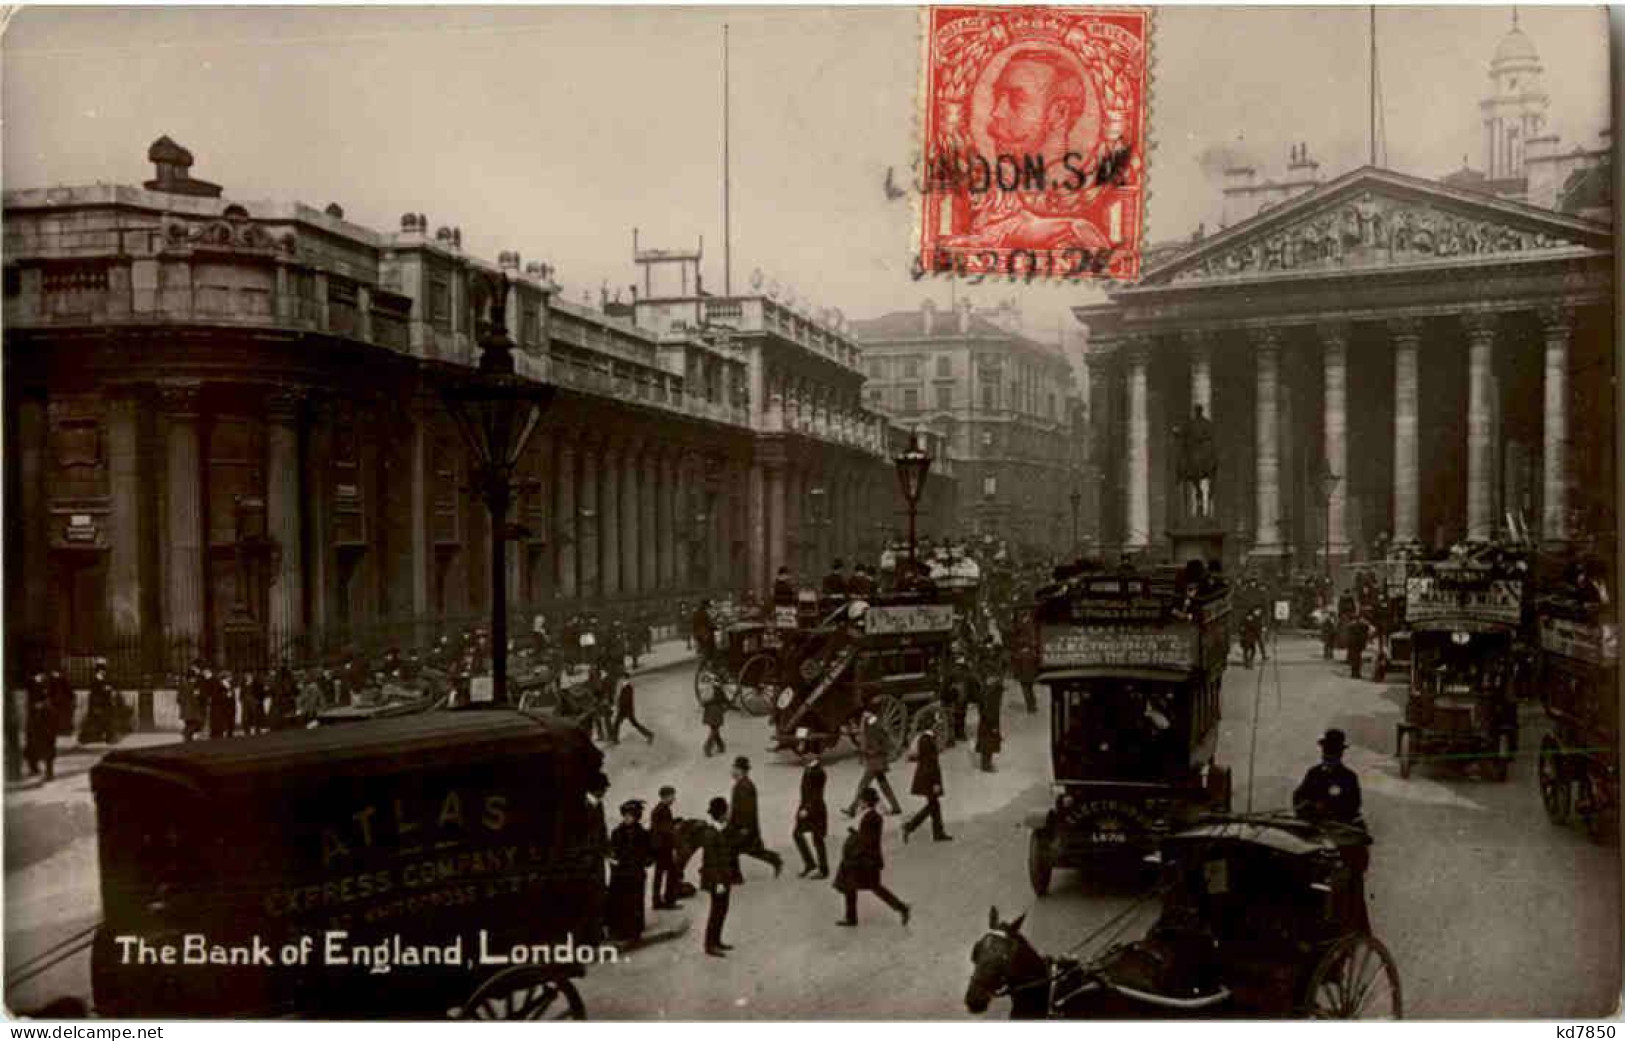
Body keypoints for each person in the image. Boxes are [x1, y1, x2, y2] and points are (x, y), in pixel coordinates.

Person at [834, 787, 911, 927]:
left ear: (866, 802)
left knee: (865, 886)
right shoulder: (871, 815)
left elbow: (868, 840)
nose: (859, 803)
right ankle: (901, 908)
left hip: (865, 859)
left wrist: (854, 852)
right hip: (868, 858)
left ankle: (901, 907)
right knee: (856, 886)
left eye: (861, 800)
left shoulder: (871, 817)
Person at [727, 757, 783, 880]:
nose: (732, 771)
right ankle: (736, 876)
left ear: (741, 771)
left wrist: (745, 828)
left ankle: (736, 876)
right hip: (741, 826)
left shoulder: (745, 786)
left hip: (744, 827)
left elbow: (748, 810)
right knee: (746, 849)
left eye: (734, 769)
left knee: (739, 848)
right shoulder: (741, 784)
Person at [1293, 729, 1363, 824]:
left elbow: (1354, 804)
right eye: (1326, 750)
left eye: (1333, 751)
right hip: (1312, 823)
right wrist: (1307, 805)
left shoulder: (1349, 777)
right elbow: (1299, 795)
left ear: (1340, 754)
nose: (1328, 755)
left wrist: (1328, 807)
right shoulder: (1313, 773)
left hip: (1340, 826)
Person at [607, 800, 652, 943]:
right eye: (625, 815)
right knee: (619, 902)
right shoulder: (616, 832)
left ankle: (634, 932)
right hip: (620, 873)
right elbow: (611, 850)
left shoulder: (643, 833)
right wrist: (612, 859)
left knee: (634, 902)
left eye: (630, 816)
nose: (627, 818)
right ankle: (619, 931)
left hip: (636, 873)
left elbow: (649, 853)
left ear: (637, 817)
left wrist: (646, 861)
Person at [844, 712, 903, 816]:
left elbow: (875, 747)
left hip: (875, 763)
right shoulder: (874, 728)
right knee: (884, 786)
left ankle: (852, 809)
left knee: (863, 785)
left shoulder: (872, 731)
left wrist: (866, 752)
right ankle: (896, 807)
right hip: (877, 762)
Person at [901, 725, 951, 843]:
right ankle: (910, 826)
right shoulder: (928, 741)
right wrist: (936, 783)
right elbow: (931, 764)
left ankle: (937, 832)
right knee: (933, 805)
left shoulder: (924, 739)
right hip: (929, 779)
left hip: (924, 776)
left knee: (934, 805)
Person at [699, 796, 734, 957]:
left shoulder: (720, 829)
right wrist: (718, 882)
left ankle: (717, 940)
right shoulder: (710, 833)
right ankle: (710, 945)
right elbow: (711, 861)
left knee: (722, 910)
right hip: (717, 880)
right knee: (716, 911)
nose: (728, 813)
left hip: (723, 878)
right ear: (720, 814)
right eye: (726, 811)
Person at [792, 750, 830, 878]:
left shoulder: (818, 772)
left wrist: (806, 809)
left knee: (817, 839)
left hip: (815, 810)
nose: (804, 756)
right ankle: (810, 864)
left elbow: (816, 794)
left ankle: (823, 869)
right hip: (809, 808)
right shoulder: (809, 769)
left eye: (807, 755)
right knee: (798, 834)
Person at [650, 786, 681, 910]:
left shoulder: (660, 809)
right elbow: (665, 831)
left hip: (659, 848)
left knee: (659, 874)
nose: (674, 798)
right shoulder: (662, 810)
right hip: (664, 848)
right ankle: (668, 901)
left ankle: (657, 901)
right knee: (672, 873)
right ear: (666, 796)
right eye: (672, 796)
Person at [24, 671, 57, 781]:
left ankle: (49, 772)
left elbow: (54, 702)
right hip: (36, 722)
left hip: (46, 723)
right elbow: (32, 704)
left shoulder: (51, 686)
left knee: (47, 747)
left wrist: (45, 705)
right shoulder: (32, 687)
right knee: (32, 746)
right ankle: (34, 768)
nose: (41, 677)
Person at [79, 660, 116, 745]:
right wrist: (105, 689)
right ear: (99, 671)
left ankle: (108, 738)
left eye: (104, 670)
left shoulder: (103, 679)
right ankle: (85, 738)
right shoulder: (96, 680)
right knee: (96, 721)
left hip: (104, 703)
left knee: (104, 721)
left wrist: (107, 690)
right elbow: (95, 693)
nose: (104, 672)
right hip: (98, 704)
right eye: (102, 670)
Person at [612, 680, 654, 745]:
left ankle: (615, 739)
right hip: (626, 709)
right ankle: (648, 734)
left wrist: (619, 704)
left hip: (626, 710)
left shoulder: (628, 688)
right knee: (631, 724)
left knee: (618, 723)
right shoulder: (625, 687)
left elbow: (624, 700)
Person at [975, 679, 1003, 772]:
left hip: (985, 721)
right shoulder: (994, 695)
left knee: (986, 743)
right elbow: (992, 710)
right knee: (988, 744)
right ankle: (986, 765)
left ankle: (985, 764)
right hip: (989, 722)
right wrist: (994, 725)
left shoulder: (986, 691)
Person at [178, 662, 205, 742]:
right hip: (193, 710)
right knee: (197, 724)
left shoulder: (183, 685)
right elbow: (196, 698)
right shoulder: (194, 686)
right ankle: (185, 733)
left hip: (185, 710)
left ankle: (188, 738)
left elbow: (178, 698)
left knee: (189, 724)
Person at [702, 685, 727, 758]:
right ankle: (708, 746)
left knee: (714, 730)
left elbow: (703, 702)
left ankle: (721, 746)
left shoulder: (708, 691)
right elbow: (725, 701)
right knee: (715, 730)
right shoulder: (720, 693)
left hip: (708, 713)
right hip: (717, 713)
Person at [1345, 612, 1372, 680]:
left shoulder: (1351, 625)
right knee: (1357, 658)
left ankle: (1354, 673)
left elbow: (1348, 633)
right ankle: (1357, 673)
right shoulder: (1364, 625)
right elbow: (1367, 632)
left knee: (1354, 658)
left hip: (1353, 644)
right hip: (1358, 644)